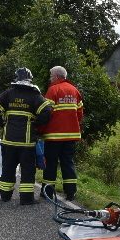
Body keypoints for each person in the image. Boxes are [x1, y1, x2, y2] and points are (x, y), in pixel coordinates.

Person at [0, 67, 52, 205]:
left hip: (9, 140)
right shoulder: (34, 95)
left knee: (8, 168)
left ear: (16, 78)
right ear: (30, 79)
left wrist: (2, 122)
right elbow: (47, 111)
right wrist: (36, 124)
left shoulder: (8, 93)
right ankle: (26, 199)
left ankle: (5, 195)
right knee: (28, 171)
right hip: (26, 143)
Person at [40, 66, 83, 201]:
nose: (50, 78)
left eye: (51, 75)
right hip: (71, 135)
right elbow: (80, 113)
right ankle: (71, 193)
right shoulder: (74, 90)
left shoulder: (53, 90)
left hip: (54, 135)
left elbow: (46, 113)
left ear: (57, 76)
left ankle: (47, 192)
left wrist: (40, 130)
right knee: (67, 163)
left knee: (51, 163)